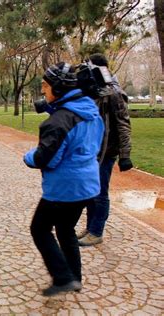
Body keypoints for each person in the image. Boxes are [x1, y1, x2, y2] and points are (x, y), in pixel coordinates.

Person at [24, 62, 104, 296]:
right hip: (88, 186)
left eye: (45, 86)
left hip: (64, 188)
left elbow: (44, 159)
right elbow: (92, 143)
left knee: (39, 229)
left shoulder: (57, 122)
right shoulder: (90, 111)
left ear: (58, 89)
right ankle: (74, 277)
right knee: (66, 229)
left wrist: (27, 156)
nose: (43, 91)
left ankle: (63, 277)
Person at [78, 53, 133, 246]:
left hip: (106, 152)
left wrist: (125, 155)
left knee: (100, 192)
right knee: (91, 191)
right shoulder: (95, 91)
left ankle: (97, 231)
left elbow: (124, 124)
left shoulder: (114, 93)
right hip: (92, 151)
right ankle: (90, 227)